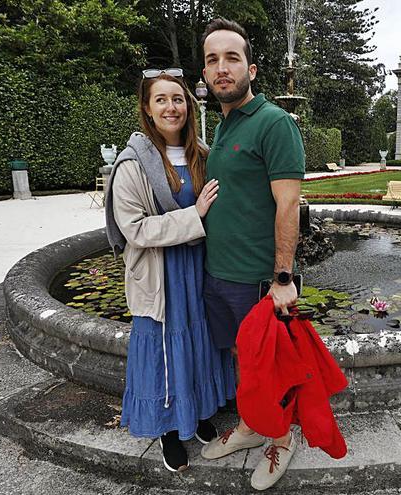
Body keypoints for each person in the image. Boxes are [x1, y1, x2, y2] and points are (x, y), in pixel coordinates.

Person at [105, 68, 235, 472]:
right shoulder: (132, 164)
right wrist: (194, 216)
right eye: (160, 99)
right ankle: (166, 428)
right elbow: (135, 229)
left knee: (199, 344)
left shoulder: (203, 154)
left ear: (188, 106)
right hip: (161, 274)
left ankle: (195, 415)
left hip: (199, 268)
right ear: (147, 108)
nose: (171, 107)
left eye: (177, 99)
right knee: (163, 349)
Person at [196, 18, 306, 491]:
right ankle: (247, 427)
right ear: (204, 72)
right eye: (212, 60)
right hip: (216, 273)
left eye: (231, 58)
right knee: (243, 362)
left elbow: (288, 204)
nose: (221, 68)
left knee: (270, 365)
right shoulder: (221, 128)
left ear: (252, 69)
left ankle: (281, 438)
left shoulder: (273, 123)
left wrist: (283, 277)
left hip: (257, 279)